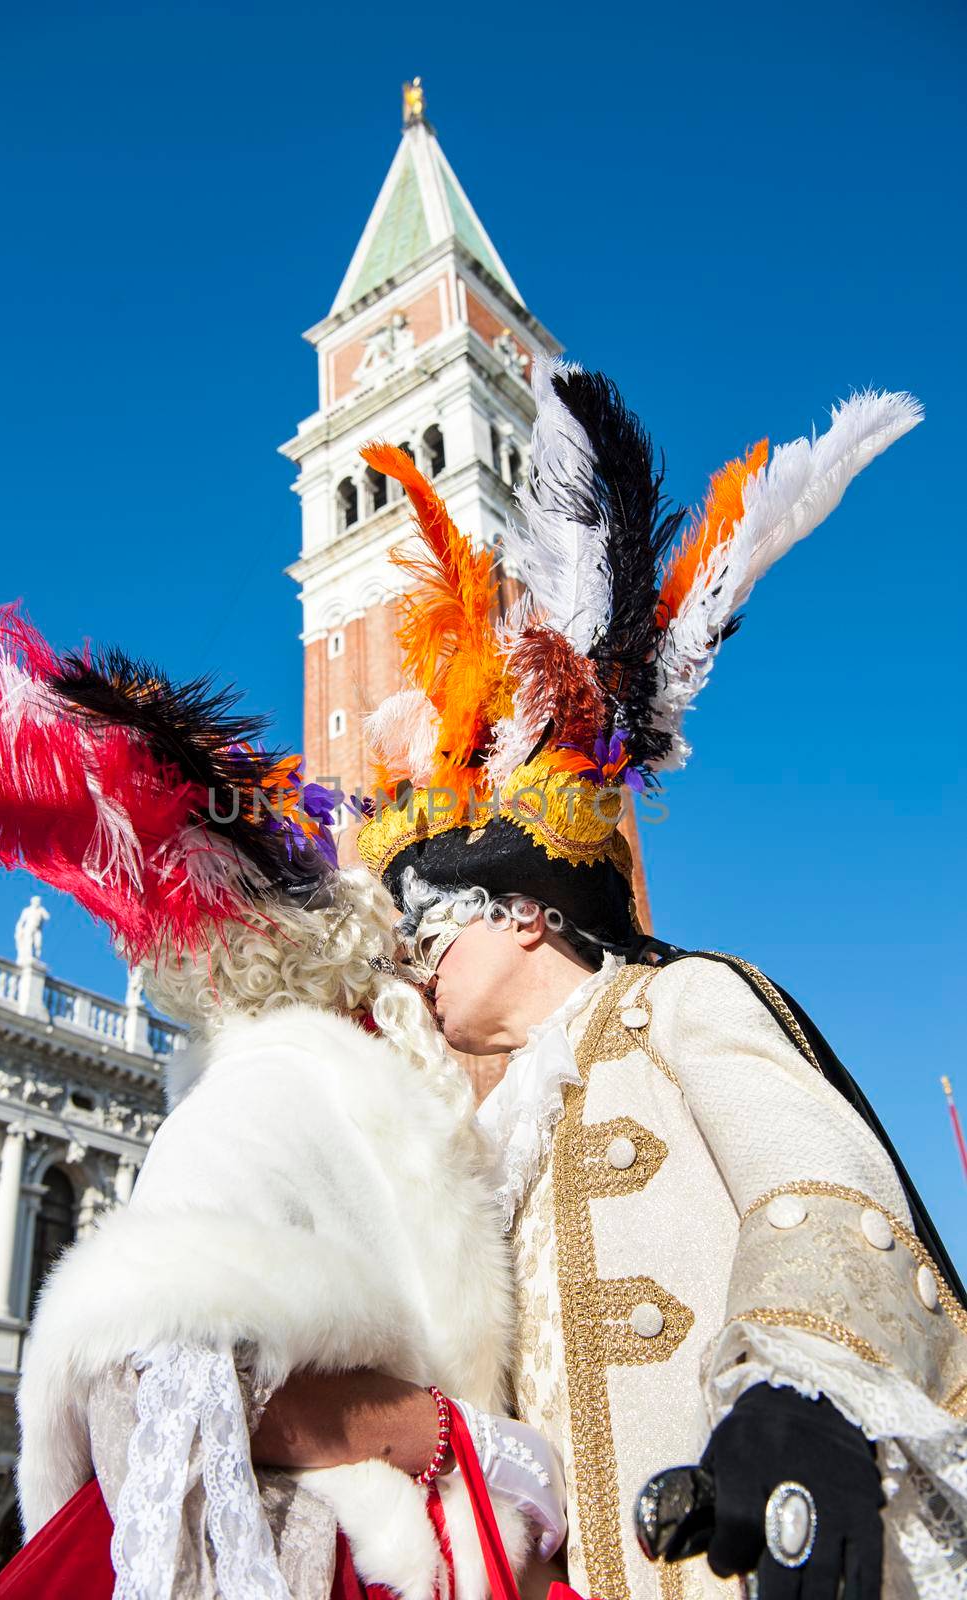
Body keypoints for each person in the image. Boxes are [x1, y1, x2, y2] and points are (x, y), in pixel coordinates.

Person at [352, 361, 966, 1597]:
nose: (422, 976)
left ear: (527, 918)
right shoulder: (480, 1143)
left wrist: (801, 1385)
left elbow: (819, 1184)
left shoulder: (681, 1002)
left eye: (438, 941)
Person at [0, 571, 565, 1600]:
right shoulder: (272, 1087)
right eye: (403, 949)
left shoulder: (336, 1092)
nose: (422, 973)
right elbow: (155, 1366)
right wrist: (446, 1436)